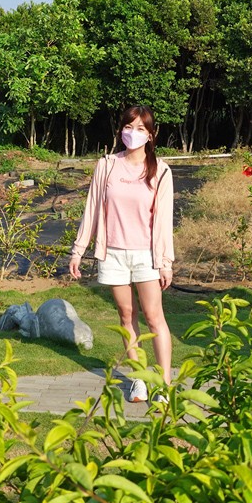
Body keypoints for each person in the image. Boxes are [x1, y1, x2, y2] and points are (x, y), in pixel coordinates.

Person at [69, 105, 175, 403]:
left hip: (147, 256)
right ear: (120, 131)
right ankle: (139, 379)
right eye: (129, 127)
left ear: (151, 135)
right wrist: (79, 250)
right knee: (126, 316)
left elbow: (164, 220)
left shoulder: (161, 171)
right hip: (113, 253)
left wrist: (165, 262)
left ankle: (164, 384)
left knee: (155, 319)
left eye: (141, 129)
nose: (133, 133)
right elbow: (91, 210)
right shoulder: (107, 166)